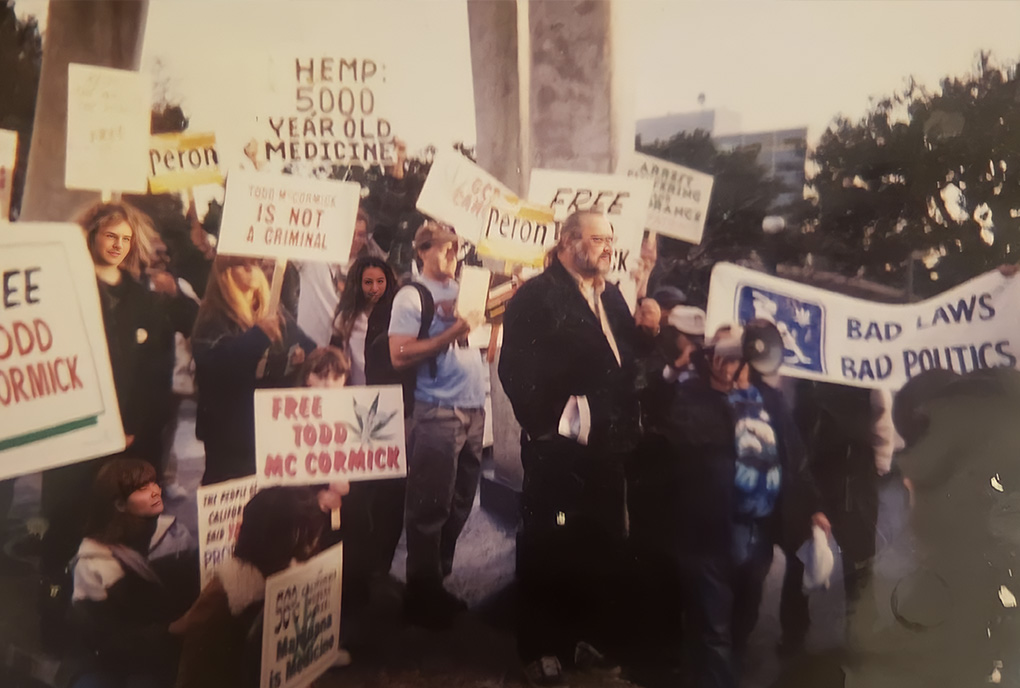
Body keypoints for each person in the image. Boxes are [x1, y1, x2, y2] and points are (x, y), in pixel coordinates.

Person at [498, 210, 653, 684]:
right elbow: (515, 372)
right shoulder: (537, 298)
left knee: (599, 544)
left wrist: (648, 331)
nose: (609, 247)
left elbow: (629, 362)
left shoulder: (613, 297)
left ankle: (585, 638)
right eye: (598, 238)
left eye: (611, 238)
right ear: (567, 242)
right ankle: (541, 648)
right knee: (550, 543)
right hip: (559, 455)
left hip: (607, 452)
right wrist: (555, 423)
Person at [39, 201, 196, 649]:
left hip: (124, 441)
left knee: (117, 532)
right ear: (90, 235)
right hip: (71, 439)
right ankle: (51, 619)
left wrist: (133, 426)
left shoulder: (145, 299)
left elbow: (157, 371)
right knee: (63, 527)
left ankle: (112, 628)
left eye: (126, 239)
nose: (118, 245)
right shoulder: (62, 289)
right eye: (110, 236)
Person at [648, 325, 828, 688]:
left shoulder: (770, 400)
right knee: (715, 633)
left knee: (741, 623)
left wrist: (814, 507)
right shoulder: (691, 397)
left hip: (757, 534)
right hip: (707, 535)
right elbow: (670, 428)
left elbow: (794, 458)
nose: (733, 362)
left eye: (739, 353)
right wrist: (682, 373)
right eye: (725, 351)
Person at [388, 221, 486, 627]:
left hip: (473, 407)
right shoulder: (413, 295)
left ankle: (435, 581)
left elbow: (484, 339)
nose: (453, 256)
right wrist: (455, 333)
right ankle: (421, 592)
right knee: (430, 505)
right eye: (445, 249)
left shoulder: (468, 288)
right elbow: (400, 354)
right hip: (437, 410)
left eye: (457, 249)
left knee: (462, 498)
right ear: (422, 250)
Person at [171, 484, 345, 688]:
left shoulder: (296, 576)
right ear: (297, 538)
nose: (316, 542)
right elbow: (194, 672)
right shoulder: (221, 598)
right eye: (313, 535)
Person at [67, 458, 195, 688]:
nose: (156, 491)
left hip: (174, 652)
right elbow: (104, 637)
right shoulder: (93, 564)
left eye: (154, 483)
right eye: (142, 489)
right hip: (122, 665)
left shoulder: (176, 535)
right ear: (119, 504)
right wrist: (169, 632)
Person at [191, 256, 315, 485]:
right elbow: (214, 366)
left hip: (270, 426)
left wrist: (303, 356)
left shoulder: (273, 310)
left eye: (255, 263)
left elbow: (309, 346)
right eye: (241, 263)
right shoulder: (213, 315)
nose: (251, 269)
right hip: (229, 432)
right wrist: (258, 336)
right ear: (224, 273)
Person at [330, 255, 398, 385]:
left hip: (388, 390)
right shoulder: (346, 318)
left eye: (380, 282)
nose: (375, 289)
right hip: (357, 391)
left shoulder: (396, 314)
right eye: (368, 282)